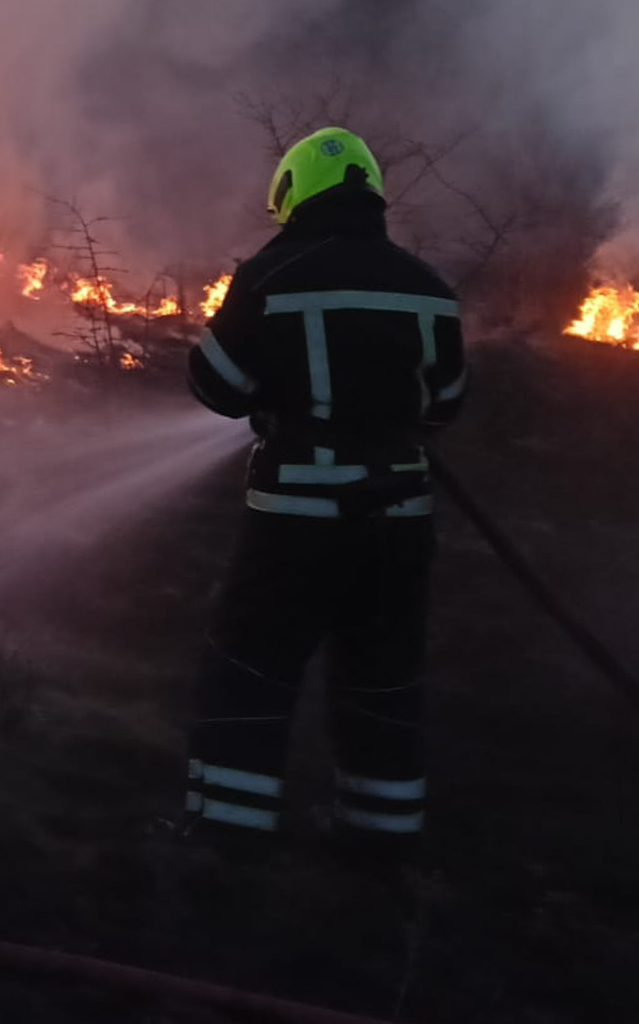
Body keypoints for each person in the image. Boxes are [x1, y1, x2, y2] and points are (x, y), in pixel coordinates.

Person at [183, 126, 466, 850]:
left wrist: (277, 395)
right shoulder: (430, 289)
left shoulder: (270, 276)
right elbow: (446, 405)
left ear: (293, 192)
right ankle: (381, 846)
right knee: (383, 675)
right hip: (401, 517)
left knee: (251, 666)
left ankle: (225, 843)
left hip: (297, 518)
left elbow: (215, 385)